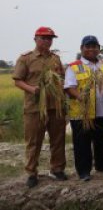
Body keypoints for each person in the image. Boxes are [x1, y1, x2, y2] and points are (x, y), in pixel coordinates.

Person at [13, 26, 67, 188]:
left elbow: (62, 78)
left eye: (50, 38)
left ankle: (57, 169)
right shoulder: (26, 58)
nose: (47, 41)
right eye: (44, 38)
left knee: (58, 139)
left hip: (55, 106)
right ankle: (31, 172)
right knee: (34, 141)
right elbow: (17, 80)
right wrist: (33, 89)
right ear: (35, 39)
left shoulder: (55, 59)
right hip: (34, 107)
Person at [64, 35, 103, 181]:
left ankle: (101, 165)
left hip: (102, 111)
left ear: (99, 48)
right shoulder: (74, 66)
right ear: (82, 48)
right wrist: (79, 97)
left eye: (94, 46)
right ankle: (84, 171)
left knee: (100, 140)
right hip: (81, 113)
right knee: (82, 143)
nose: (91, 49)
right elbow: (69, 87)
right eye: (88, 46)